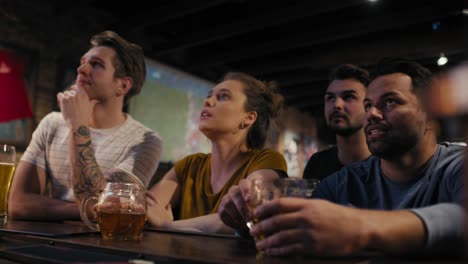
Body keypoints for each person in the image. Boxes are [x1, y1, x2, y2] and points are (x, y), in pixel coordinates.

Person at [219, 58, 465, 256]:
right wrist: (247, 219)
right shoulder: (343, 183)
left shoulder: (456, 164)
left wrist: (362, 227)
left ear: (429, 113)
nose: (372, 114)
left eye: (390, 102)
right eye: (368, 105)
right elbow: (295, 227)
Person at [8, 31, 162, 221]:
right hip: (47, 243)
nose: (82, 70)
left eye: (96, 64)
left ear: (122, 85)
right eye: (83, 62)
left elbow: (108, 217)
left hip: (104, 248)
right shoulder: (52, 123)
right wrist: (82, 210)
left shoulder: (145, 142)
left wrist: (77, 125)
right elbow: (18, 204)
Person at [146, 72, 287, 233]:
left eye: (223, 97)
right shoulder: (190, 165)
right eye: (209, 96)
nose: (207, 101)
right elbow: (149, 209)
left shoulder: (266, 160)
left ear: (248, 118)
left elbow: (248, 215)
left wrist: (168, 226)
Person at [303, 64, 371, 181]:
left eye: (348, 97)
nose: (336, 105)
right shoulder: (317, 164)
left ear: (368, 106)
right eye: (331, 98)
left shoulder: (387, 165)